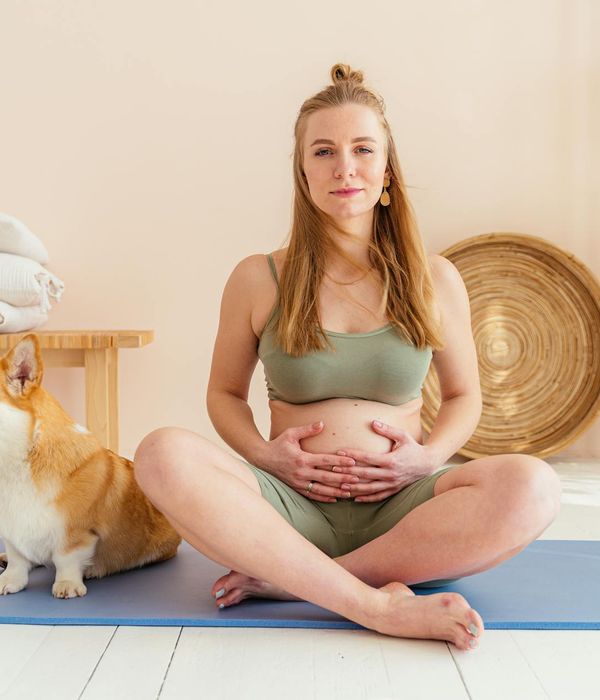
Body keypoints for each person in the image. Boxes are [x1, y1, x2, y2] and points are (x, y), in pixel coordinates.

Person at [133, 63, 562, 651]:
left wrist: (428, 457)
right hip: (285, 509)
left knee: (534, 486)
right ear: (302, 171)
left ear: (387, 169)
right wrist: (266, 456)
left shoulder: (435, 278)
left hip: (404, 513)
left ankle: (300, 582)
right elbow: (224, 395)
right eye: (324, 151)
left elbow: (465, 396)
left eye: (363, 149)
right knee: (160, 454)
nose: (345, 167)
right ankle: (371, 605)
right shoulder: (257, 278)